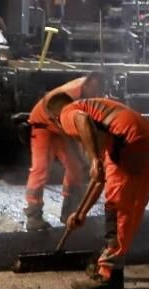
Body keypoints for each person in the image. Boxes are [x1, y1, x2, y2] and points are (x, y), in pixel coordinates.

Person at [46, 94, 149, 289]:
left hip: (128, 140)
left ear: (56, 119)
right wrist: (81, 213)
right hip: (148, 139)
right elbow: (101, 178)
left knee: (117, 208)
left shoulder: (68, 113)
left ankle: (107, 275)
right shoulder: (100, 118)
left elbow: (81, 120)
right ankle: (113, 267)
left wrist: (92, 159)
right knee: (129, 208)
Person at [24, 72, 106, 232]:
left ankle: (69, 212)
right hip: (43, 124)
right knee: (40, 169)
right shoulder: (69, 95)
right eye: (95, 91)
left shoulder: (91, 90)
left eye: (99, 92)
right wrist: (92, 155)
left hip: (62, 127)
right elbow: (77, 125)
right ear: (86, 85)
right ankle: (33, 216)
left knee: (76, 167)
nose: (97, 95)